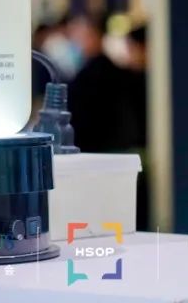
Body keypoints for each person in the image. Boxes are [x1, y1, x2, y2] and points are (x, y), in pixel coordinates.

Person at [68, 16, 149, 227]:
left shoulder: (93, 75)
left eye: (80, 34)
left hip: (98, 159)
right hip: (118, 158)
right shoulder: (116, 72)